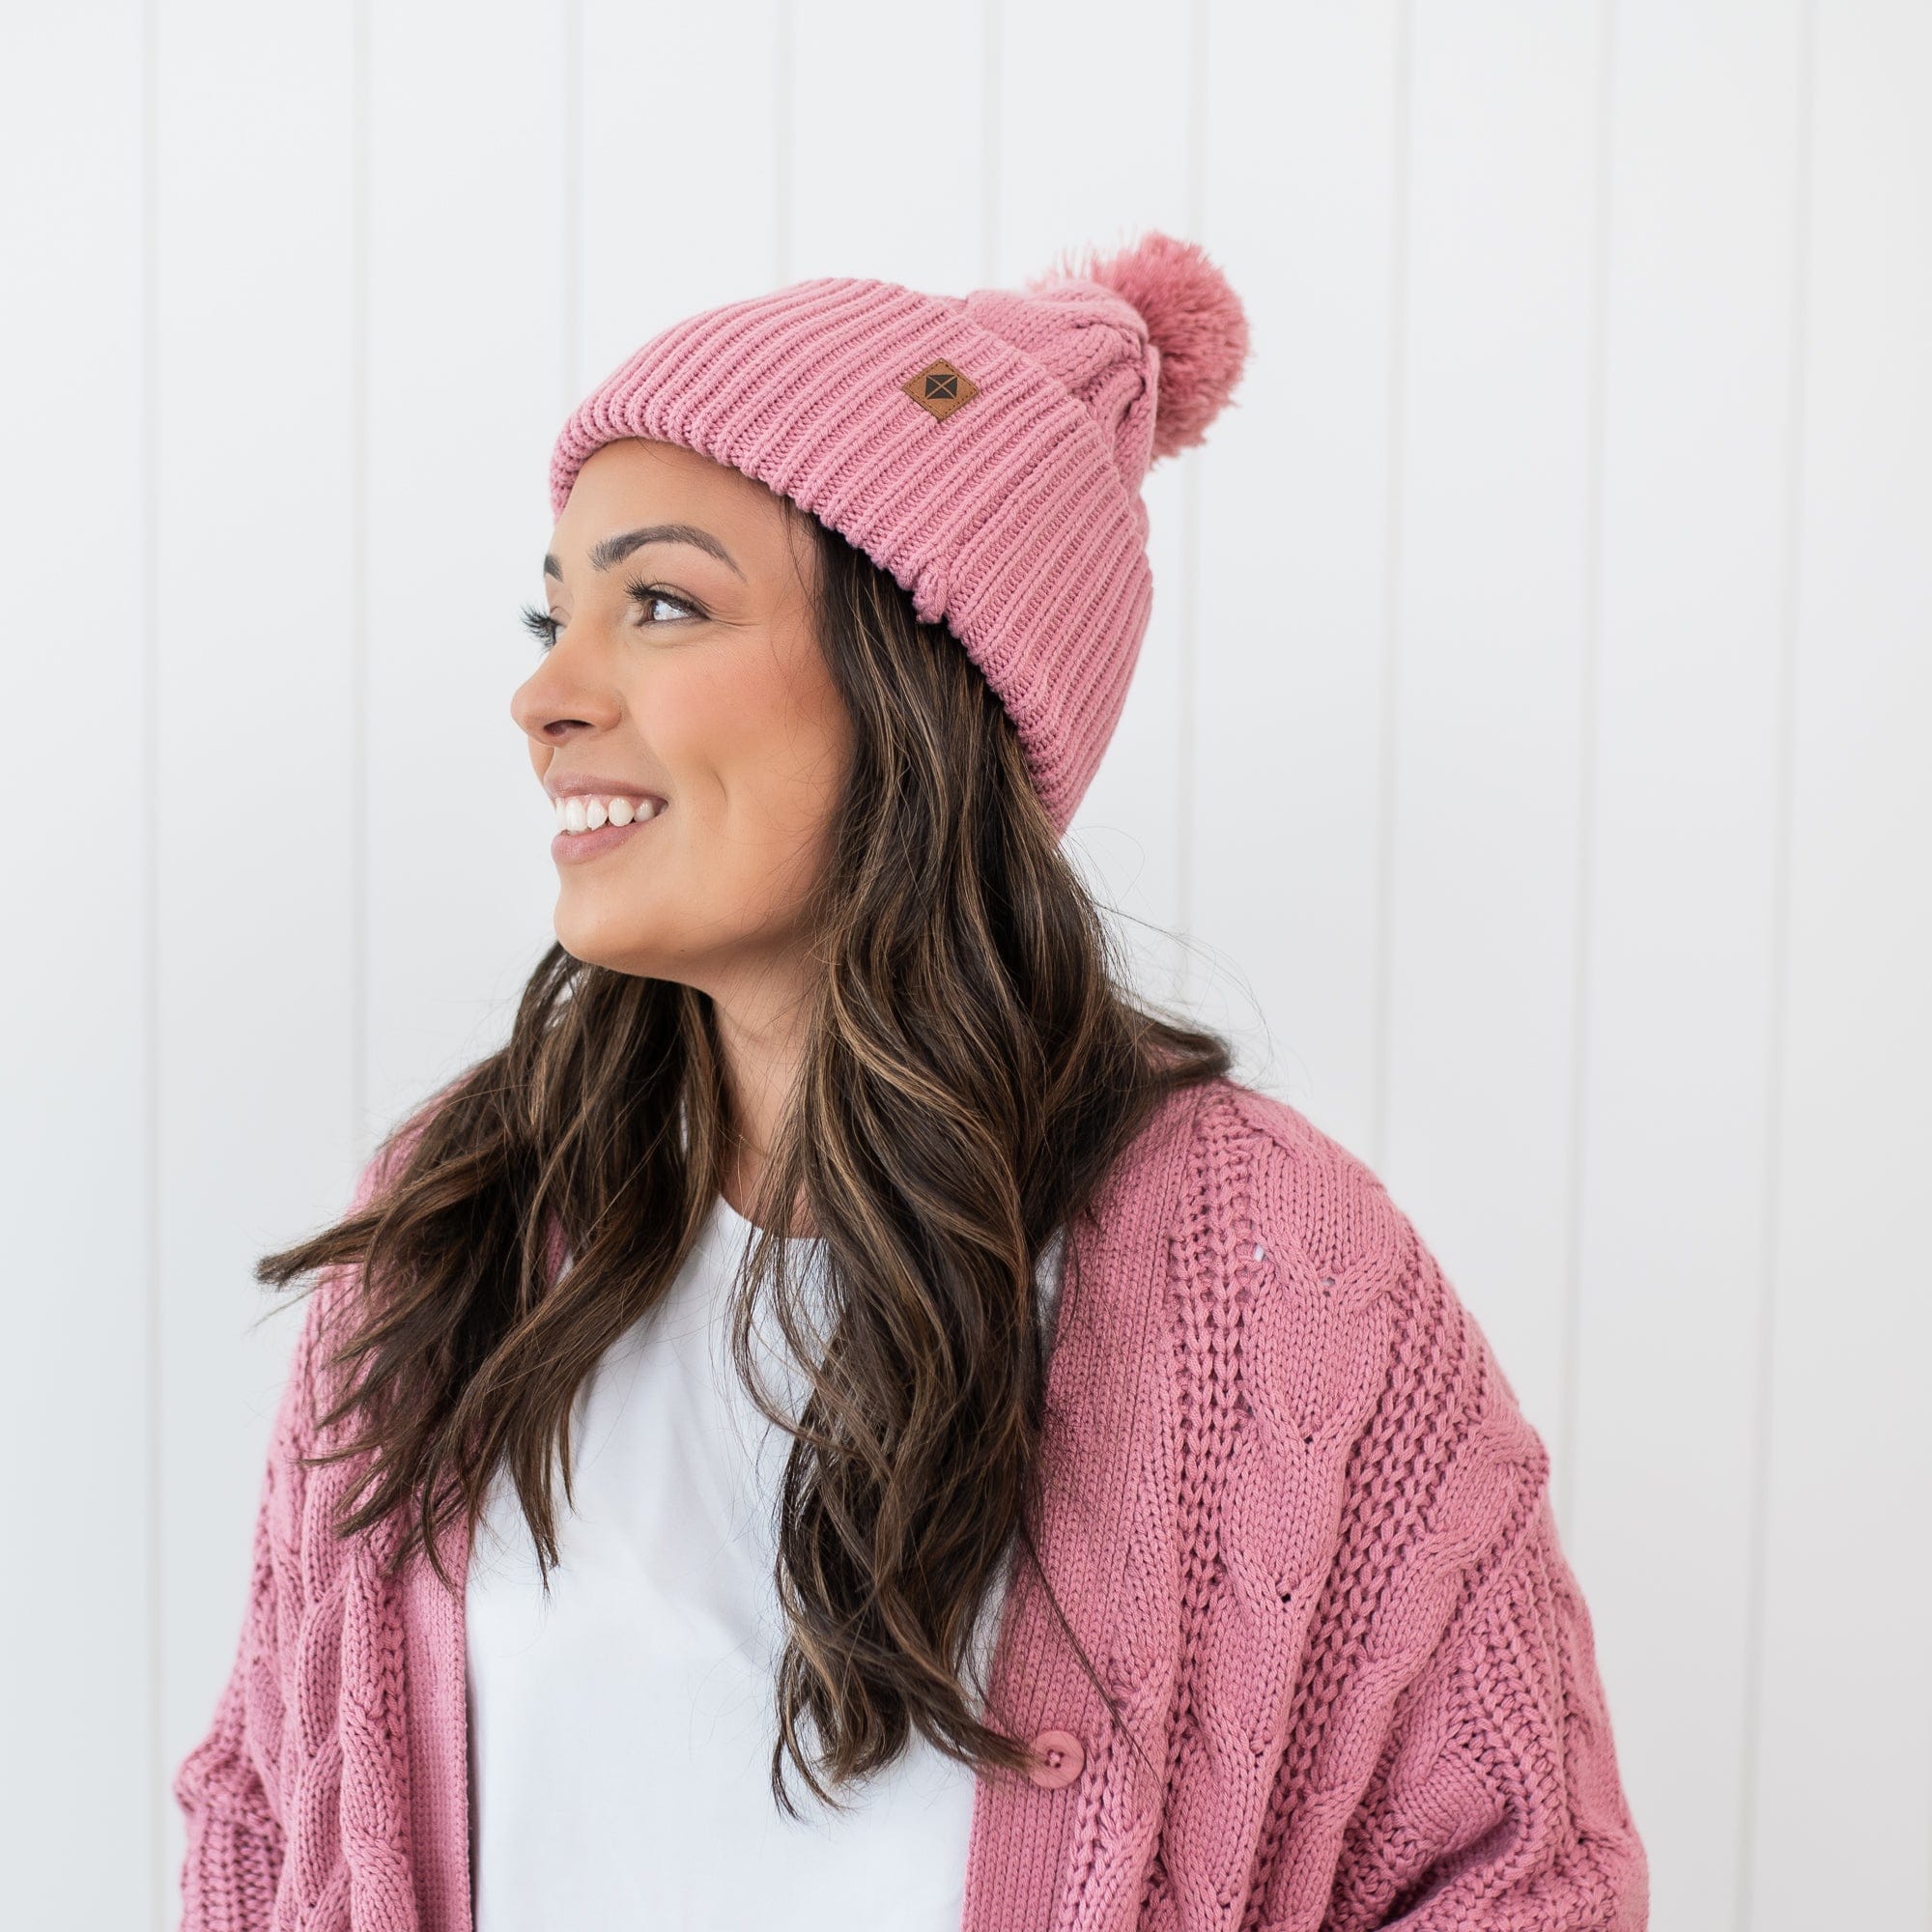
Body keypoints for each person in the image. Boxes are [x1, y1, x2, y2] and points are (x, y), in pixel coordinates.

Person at [174, 231, 1648, 1931]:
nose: (546, 695)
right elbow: (262, 1818)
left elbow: (1527, 1882)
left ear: (919, 679)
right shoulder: (461, 1221)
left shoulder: (1274, 1276)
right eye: (552, 612)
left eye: (661, 605)